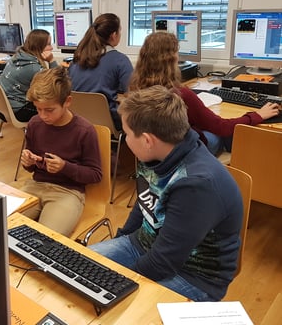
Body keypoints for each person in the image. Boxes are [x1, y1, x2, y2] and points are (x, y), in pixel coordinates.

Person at [90, 85, 243, 301]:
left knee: (117, 306)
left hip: (192, 276)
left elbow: (164, 261)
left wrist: (118, 283)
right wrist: (121, 240)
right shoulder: (156, 154)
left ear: (147, 141)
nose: (126, 139)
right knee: (80, 267)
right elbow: (145, 203)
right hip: (147, 246)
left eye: (127, 134)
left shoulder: (196, 186)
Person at [129, 32, 280, 155]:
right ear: (172, 59)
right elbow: (221, 127)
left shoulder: (136, 88)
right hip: (183, 152)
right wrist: (257, 115)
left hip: (155, 149)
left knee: (204, 124)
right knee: (219, 134)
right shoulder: (180, 95)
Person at [19, 66, 102, 236]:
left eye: (49, 110)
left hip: (68, 192)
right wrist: (28, 162)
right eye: (38, 109)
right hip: (35, 186)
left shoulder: (84, 130)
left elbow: (95, 175)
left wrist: (65, 167)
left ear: (67, 101)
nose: (43, 115)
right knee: (1, 224)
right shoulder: (35, 124)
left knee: (46, 239)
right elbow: (31, 167)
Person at [68, 13, 133, 130]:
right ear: (114, 35)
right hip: (109, 124)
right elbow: (132, 95)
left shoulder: (76, 60)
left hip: (78, 122)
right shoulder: (120, 60)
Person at [0, 29, 57, 122]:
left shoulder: (17, 57)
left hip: (2, 109)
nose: (51, 48)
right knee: (57, 107)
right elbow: (55, 84)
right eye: (48, 44)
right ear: (39, 47)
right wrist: (52, 61)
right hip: (18, 111)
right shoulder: (34, 68)